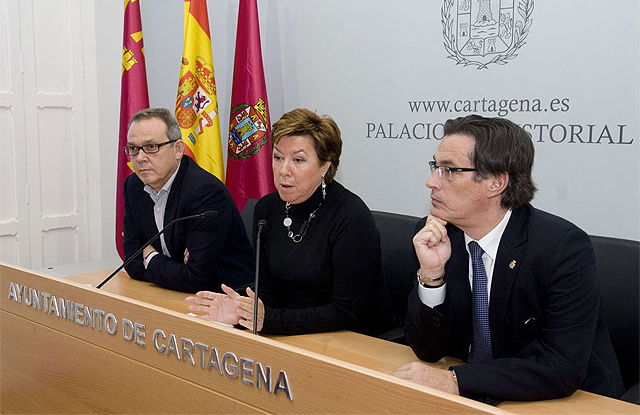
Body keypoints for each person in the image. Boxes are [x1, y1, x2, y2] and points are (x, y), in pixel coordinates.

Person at [391, 115, 624, 403]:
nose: (431, 182)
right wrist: (432, 274)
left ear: (496, 183)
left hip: (569, 400)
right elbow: (427, 350)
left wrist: (454, 380)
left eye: (449, 170)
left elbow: (560, 366)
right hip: (476, 395)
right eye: (435, 167)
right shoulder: (436, 235)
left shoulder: (562, 248)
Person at [186, 108, 398, 336]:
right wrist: (243, 311)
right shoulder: (267, 209)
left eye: (298, 160)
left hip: (358, 341)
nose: (283, 170)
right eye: (278, 157)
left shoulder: (351, 217)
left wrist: (269, 321)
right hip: (294, 333)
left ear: (325, 165)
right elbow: (268, 288)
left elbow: (345, 312)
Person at [122, 107, 254, 293]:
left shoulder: (204, 191)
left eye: (151, 147)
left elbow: (196, 278)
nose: (141, 158)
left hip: (225, 299)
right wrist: (177, 269)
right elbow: (131, 261)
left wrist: (149, 256)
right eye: (134, 149)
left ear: (177, 149)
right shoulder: (133, 185)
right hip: (170, 292)